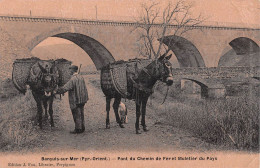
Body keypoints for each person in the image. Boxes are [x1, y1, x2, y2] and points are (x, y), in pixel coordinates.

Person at [56, 65, 88, 134]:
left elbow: (65, 88)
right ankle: (82, 127)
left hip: (75, 99)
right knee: (81, 113)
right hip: (82, 99)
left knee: (76, 113)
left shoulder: (72, 79)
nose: (69, 72)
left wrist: (56, 90)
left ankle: (78, 129)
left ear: (73, 70)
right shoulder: (81, 77)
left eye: (70, 70)